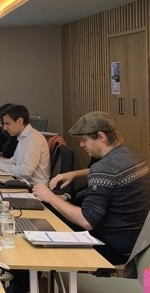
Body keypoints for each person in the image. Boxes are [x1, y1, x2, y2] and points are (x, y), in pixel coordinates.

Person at [33, 111, 150, 266]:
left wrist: (50, 197)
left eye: (84, 140)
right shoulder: (133, 155)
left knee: (47, 222)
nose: (81, 145)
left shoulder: (103, 168)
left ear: (101, 137)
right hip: (138, 242)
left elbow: (87, 220)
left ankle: (34, 277)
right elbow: (112, 174)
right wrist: (74, 174)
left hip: (113, 247)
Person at [0, 104, 49, 185]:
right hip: (24, 183)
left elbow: (26, 171)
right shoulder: (23, 137)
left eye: (7, 123)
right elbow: (14, 161)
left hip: (34, 188)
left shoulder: (33, 138)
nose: (4, 128)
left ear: (20, 121)